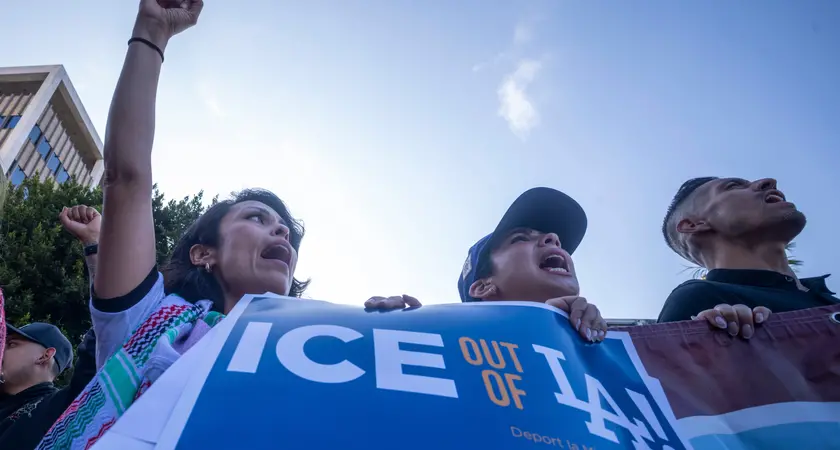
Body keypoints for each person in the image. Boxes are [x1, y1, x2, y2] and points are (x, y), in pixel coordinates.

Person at [36, 3, 400, 448]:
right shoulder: (145, 321)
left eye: (285, 229)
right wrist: (152, 31)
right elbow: (127, 178)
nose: (282, 232)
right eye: (257, 218)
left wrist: (399, 340)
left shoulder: (329, 356)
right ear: (203, 253)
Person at [368, 187, 608, 342]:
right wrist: (396, 333)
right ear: (483, 287)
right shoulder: (443, 344)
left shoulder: (606, 354)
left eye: (557, 240)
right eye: (521, 238)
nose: (554, 238)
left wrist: (555, 334)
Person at [659, 176, 838, 338]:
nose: (769, 181)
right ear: (693, 224)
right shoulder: (700, 299)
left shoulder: (827, 301)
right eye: (733, 186)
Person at [0, 205, 101, 450]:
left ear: (46, 355)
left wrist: (94, 244)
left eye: (11, 344)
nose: (2, 349)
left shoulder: (63, 406)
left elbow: (108, 332)